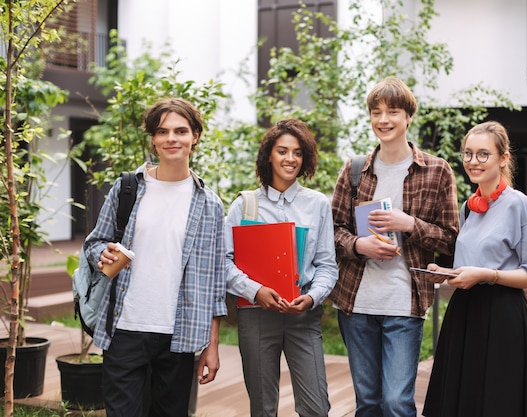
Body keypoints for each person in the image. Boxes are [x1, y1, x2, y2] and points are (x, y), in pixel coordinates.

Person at [84, 97, 226, 417]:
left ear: (195, 136)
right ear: (153, 140)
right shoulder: (126, 189)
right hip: (125, 327)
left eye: (180, 131)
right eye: (162, 132)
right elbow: (94, 243)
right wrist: (102, 253)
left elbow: (216, 282)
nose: (171, 139)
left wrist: (212, 346)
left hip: (180, 333)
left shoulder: (210, 205)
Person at [330, 76, 459, 417]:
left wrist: (409, 224)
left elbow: (450, 237)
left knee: (397, 403)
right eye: (376, 112)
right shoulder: (355, 170)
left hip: (405, 302)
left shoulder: (437, 171)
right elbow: (333, 230)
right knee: (368, 404)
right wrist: (360, 246)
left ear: (408, 117)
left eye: (393, 111)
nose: (383, 119)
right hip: (356, 304)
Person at [422, 120, 527, 417]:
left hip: (503, 317)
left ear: (503, 159)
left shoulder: (519, 205)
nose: (473, 162)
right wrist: (447, 272)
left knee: (497, 402)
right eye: (467, 154)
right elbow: (469, 264)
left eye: (482, 154)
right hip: (464, 313)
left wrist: (488, 275)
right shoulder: (468, 207)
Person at [225, 119, 339, 417]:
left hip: (303, 315)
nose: (290, 159)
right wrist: (255, 290)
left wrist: (312, 297)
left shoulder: (318, 205)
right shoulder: (244, 205)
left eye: (298, 152)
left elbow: (327, 265)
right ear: (269, 156)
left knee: (317, 408)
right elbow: (222, 263)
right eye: (282, 151)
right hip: (257, 316)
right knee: (263, 408)